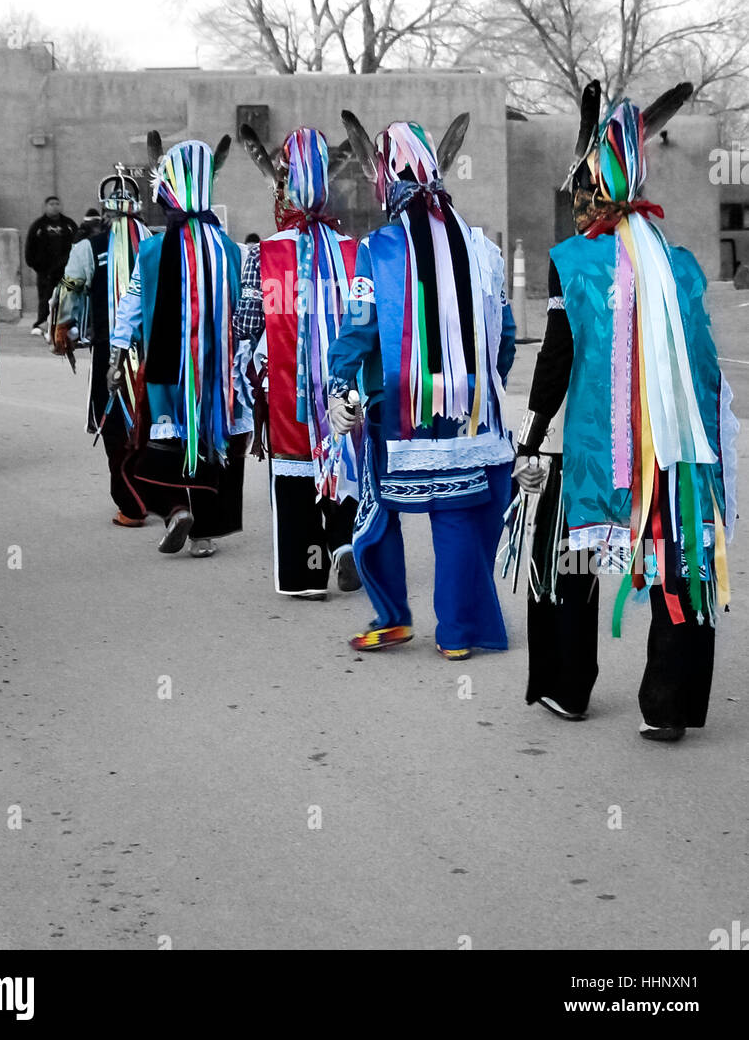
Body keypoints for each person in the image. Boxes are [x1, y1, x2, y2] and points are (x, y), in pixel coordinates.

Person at [510, 80, 737, 743]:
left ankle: (567, 688)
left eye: (579, 192)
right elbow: (704, 367)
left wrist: (528, 439)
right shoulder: (682, 264)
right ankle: (667, 703)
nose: (575, 204)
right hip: (677, 456)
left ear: (593, 193)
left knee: (570, 561)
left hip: (597, 456)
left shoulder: (572, 261)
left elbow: (554, 360)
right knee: (679, 561)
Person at [327, 116, 516, 657]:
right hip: (468, 414)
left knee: (379, 506)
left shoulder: (377, 249)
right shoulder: (483, 250)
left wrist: (340, 388)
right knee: (454, 511)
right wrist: (480, 389)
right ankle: (457, 634)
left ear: (385, 182)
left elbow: (359, 326)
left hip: (397, 410)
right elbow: (503, 335)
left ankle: (392, 617)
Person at [108, 136, 251, 556]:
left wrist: (117, 358)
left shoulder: (151, 250)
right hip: (218, 378)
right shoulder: (232, 250)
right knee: (210, 444)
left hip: (165, 376)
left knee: (151, 446)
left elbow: (130, 307)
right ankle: (204, 533)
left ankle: (172, 509)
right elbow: (245, 313)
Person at [234, 125, 360, 599]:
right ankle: (344, 542)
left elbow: (246, 325)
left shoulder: (262, 254)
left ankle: (307, 574)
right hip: (345, 388)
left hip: (287, 387)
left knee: (295, 468)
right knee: (343, 455)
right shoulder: (354, 251)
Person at [51, 170, 151, 526]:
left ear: (106, 212)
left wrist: (64, 329)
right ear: (138, 209)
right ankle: (157, 494)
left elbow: (70, 292)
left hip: (113, 353)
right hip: (158, 356)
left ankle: (131, 504)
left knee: (115, 424)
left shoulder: (88, 248)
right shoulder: (157, 244)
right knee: (156, 421)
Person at [25, 195, 77, 336]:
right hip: (45, 271)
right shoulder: (38, 226)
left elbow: (78, 245)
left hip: (66, 271)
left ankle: (68, 324)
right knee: (45, 298)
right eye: (51, 204)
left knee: (67, 297)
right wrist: (36, 265)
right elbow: (30, 247)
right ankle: (41, 324)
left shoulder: (69, 225)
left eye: (57, 203)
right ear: (46, 206)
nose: (54, 206)